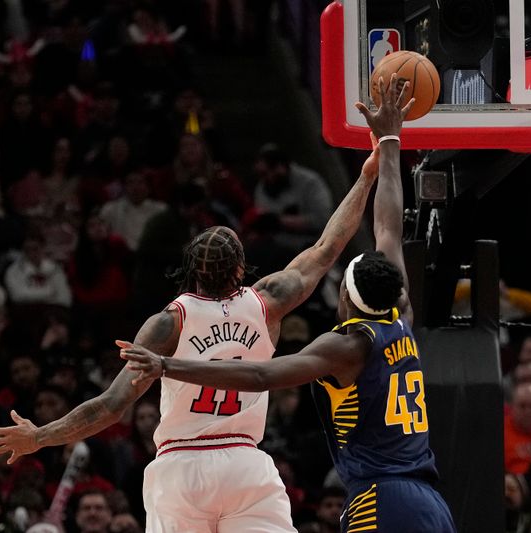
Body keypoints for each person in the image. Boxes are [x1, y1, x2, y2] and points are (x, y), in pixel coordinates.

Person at [0, 95, 385, 532]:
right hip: (245, 465)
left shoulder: (168, 322)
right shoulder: (267, 300)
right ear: (239, 270)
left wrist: (40, 435)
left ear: (191, 272)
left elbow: (111, 407)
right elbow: (326, 248)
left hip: (180, 467)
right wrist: (364, 178)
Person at [117, 74, 456, 533]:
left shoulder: (347, 345)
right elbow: (389, 230)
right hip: (432, 501)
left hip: (381, 499)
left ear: (347, 300)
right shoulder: (402, 316)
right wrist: (390, 143)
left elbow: (259, 375)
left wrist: (167, 365)